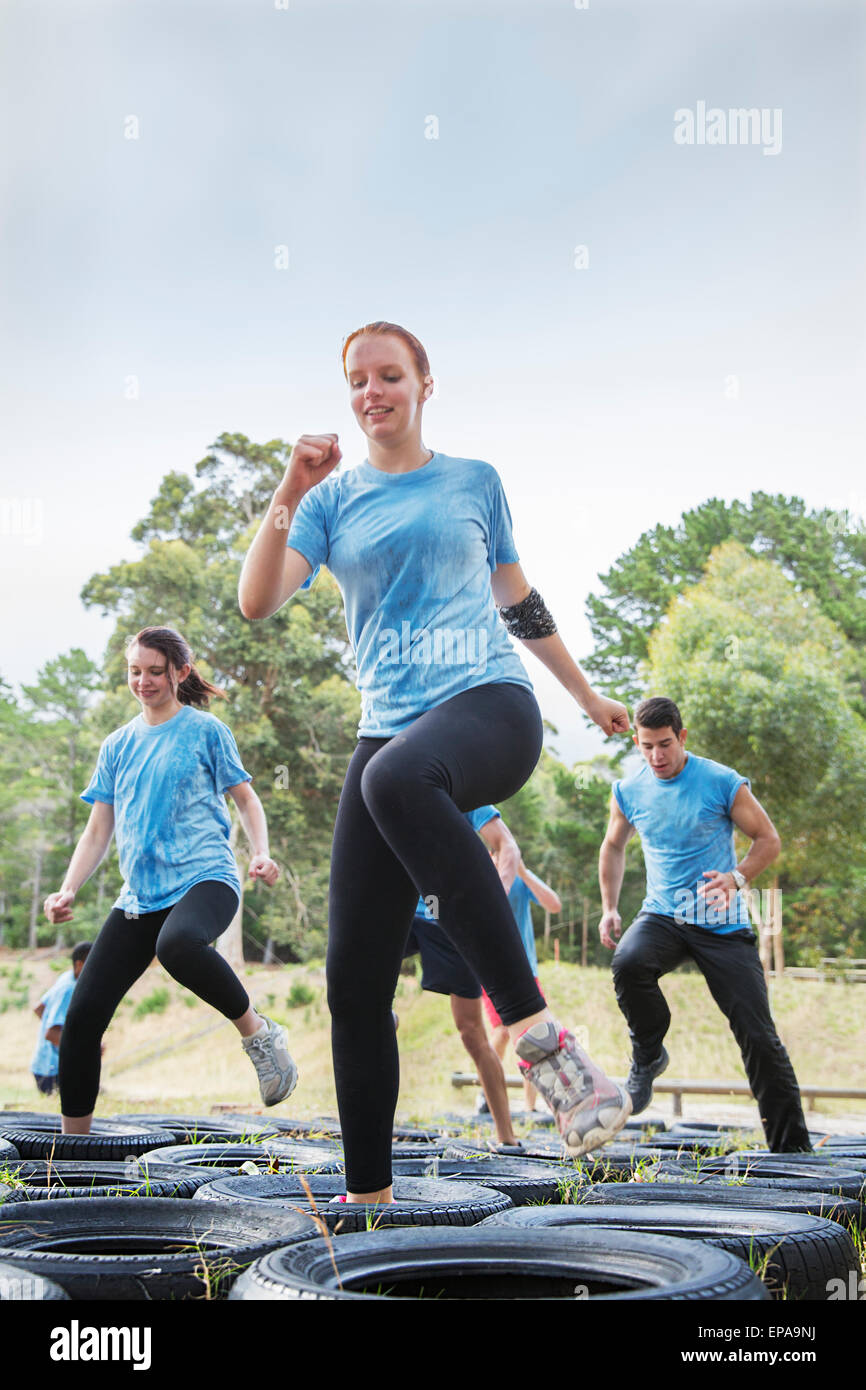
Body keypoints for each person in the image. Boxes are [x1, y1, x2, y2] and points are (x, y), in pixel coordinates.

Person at [239, 319, 632, 1203]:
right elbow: (257, 601)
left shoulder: (474, 481)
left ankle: (543, 1044)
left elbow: (517, 598)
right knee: (353, 980)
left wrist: (584, 696)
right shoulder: (330, 501)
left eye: (389, 375)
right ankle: (368, 1202)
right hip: (390, 739)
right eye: (356, 380)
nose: (371, 392)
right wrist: (290, 488)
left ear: (424, 384)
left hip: (489, 706)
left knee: (395, 777)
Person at [42, 626, 297, 1134]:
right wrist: (68, 887)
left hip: (206, 879)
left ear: (180, 672)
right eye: (135, 671)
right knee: (82, 1017)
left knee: (177, 945)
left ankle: (260, 1034)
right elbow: (98, 829)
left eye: (155, 671)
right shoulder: (117, 745)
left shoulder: (206, 731)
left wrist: (262, 853)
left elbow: (246, 799)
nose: (143, 681)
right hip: (140, 897)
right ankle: (74, 1152)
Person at [599, 694, 811, 1153]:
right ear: (637, 743)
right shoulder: (629, 791)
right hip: (663, 914)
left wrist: (738, 878)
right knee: (629, 963)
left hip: (721, 925)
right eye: (647, 746)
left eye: (665, 745)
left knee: (758, 1035)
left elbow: (768, 839)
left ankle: (793, 1151)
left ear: (682, 737)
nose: (657, 756)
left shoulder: (721, 782)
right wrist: (610, 907)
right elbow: (613, 846)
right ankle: (648, 1056)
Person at [399, 804, 530, 1152]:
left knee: (471, 1032)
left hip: (450, 919)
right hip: (401, 909)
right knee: (360, 988)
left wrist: (496, 897)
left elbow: (507, 846)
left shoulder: (466, 795)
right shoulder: (394, 786)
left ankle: (506, 1137)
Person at [483, 861, 562, 1115]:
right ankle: (486, 1093)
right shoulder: (481, 872)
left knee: (533, 1034)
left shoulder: (520, 877)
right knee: (502, 1032)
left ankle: (530, 1107)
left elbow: (555, 905)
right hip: (489, 967)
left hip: (526, 969)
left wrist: (524, 873)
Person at [31, 942, 92, 1096]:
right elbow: (51, 1034)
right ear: (79, 965)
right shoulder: (69, 990)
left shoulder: (67, 977)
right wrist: (85, 1049)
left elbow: (39, 1008)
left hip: (42, 1063)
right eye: (93, 963)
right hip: (53, 1070)